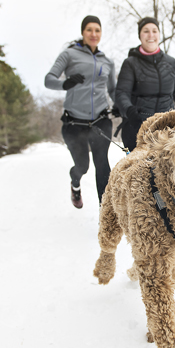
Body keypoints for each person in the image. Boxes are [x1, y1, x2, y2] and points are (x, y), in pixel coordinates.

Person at [45, 15, 116, 209]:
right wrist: (64, 83)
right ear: (83, 32)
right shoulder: (69, 55)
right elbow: (48, 79)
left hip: (100, 120)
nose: (94, 34)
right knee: (82, 166)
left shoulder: (107, 62)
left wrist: (120, 105)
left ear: (101, 33)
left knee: (102, 164)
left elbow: (113, 90)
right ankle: (75, 183)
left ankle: (107, 212)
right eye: (89, 30)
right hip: (74, 123)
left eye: (97, 30)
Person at [115, 17, 175, 151]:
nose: (151, 35)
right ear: (140, 36)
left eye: (154, 31)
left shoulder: (171, 63)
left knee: (165, 171)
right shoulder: (130, 63)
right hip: (137, 128)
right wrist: (131, 112)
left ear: (159, 34)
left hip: (167, 130)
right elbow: (121, 93)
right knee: (141, 171)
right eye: (146, 31)